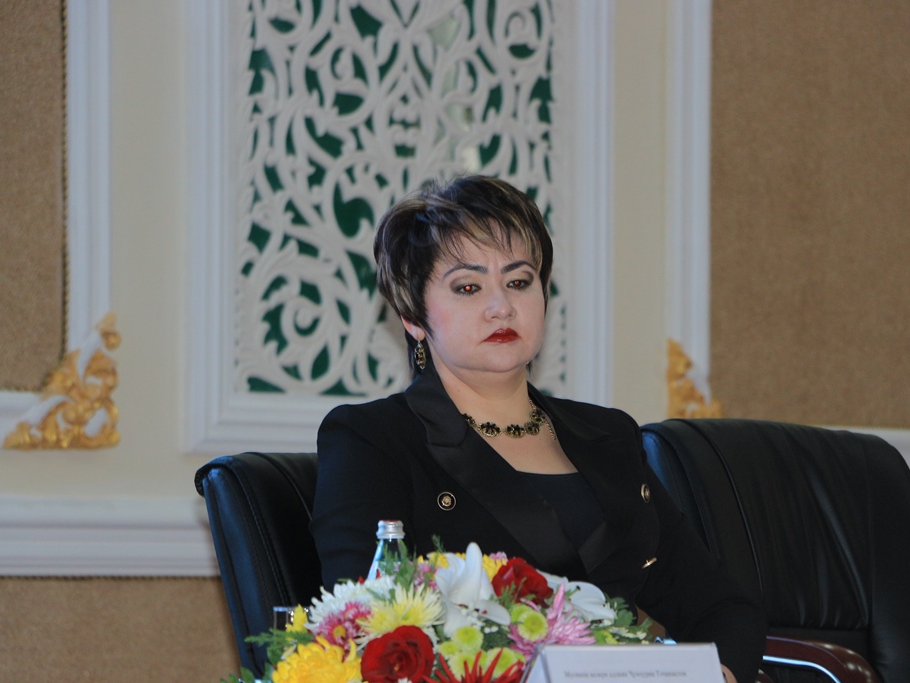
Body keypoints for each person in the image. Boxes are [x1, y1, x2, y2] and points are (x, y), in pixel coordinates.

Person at [310, 175, 766, 683]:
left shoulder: (609, 436)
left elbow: (723, 608)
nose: (501, 306)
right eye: (468, 287)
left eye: (519, 281)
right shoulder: (374, 439)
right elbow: (366, 626)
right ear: (413, 316)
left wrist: (719, 676)